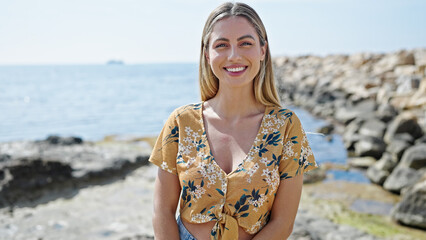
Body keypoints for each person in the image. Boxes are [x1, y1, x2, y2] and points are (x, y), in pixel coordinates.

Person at [150, 2, 317, 239]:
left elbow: (283, 222)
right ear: (207, 54)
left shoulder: (286, 126)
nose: (234, 55)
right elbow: (162, 211)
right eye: (222, 45)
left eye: (245, 43)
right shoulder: (180, 122)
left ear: (262, 50)